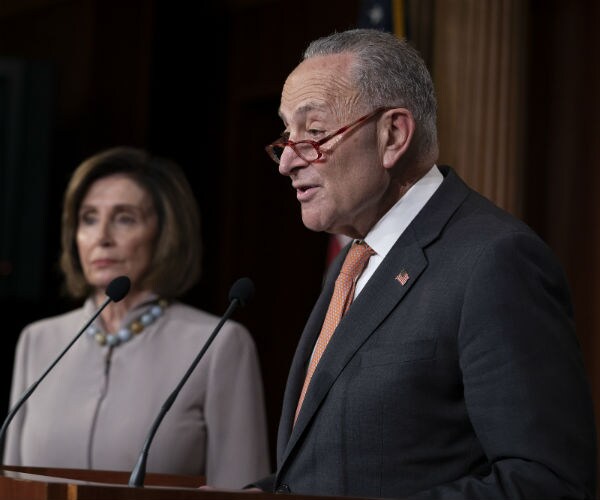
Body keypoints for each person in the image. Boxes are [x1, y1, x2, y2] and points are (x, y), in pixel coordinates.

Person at [250, 28, 597, 498]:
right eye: (286, 135)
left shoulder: (495, 261)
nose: (286, 161)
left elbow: (548, 482)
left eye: (313, 133)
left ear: (393, 135)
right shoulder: (351, 263)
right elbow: (340, 465)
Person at [3, 146, 271, 488]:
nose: (102, 238)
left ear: (164, 235)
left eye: (124, 218)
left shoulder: (219, 344)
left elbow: (241, 488)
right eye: (88, 219)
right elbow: (11, 484)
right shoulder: (38, 340)